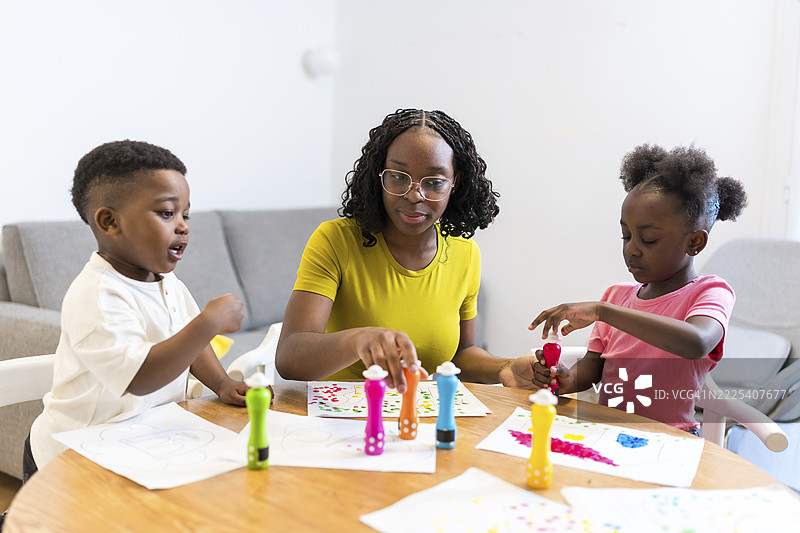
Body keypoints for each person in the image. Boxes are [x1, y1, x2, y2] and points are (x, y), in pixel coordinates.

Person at [275, 108, 540, 392]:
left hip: (418, 413)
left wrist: (505, 367)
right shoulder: (336, 240)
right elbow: (290, 358)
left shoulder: (465, 253)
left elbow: (461, 354)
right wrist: (358, 340)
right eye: (398, 177)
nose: (414, 196)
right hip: (338, 413)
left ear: (455, 183)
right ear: (379, 176)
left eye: (434, 182)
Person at [27, 140, 250, 475]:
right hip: (72, 457)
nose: (183, 226)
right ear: (109, 222)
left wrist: (221, 383)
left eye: (185, 214)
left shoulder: (167, 281)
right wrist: (208, 322)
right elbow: (139, 378)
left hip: (140, 441)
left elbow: (189, 339)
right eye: (167, 213)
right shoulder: (98, 295)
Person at [528, 144, 748, 433]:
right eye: (626, 235)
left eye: (649, 239)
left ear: (694, 242)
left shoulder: (710, 292)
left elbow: (696, 343)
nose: (631, 249)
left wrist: (603, 312)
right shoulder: (616, 297)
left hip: (671, 437)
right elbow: (594, 367)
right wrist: (567, 378)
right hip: (608, 433)